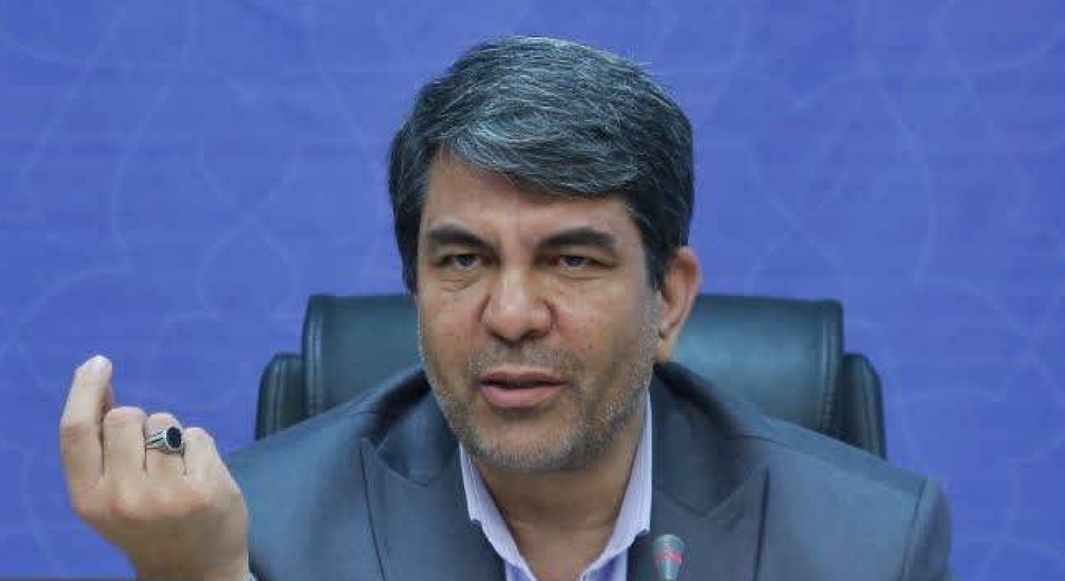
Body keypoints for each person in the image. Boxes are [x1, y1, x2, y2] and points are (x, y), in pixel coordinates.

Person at [60, 37, 954, 580]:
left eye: (571, 260)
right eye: (464, 260)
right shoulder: (259, 537)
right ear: (415, 283)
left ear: (669, 298)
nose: (513, 313)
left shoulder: (866, 548)